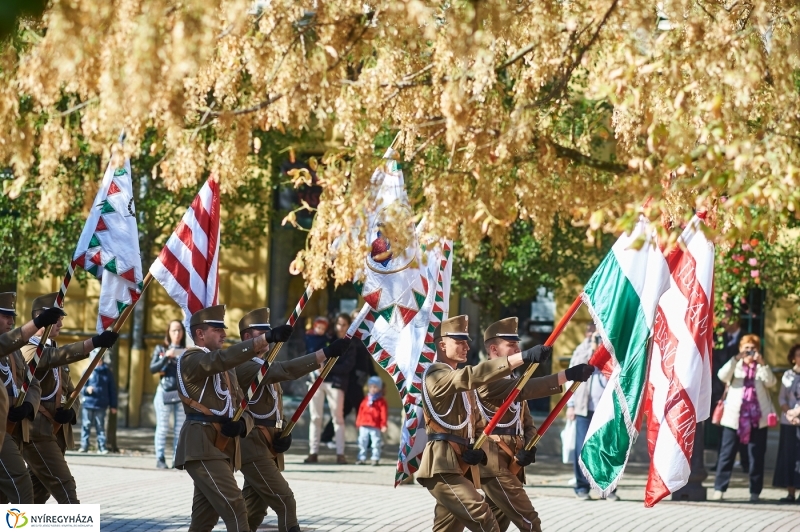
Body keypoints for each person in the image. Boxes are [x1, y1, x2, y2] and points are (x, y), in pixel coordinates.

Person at [416, 315, 550, 532]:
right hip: (441, 465)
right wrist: (523, 357)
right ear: (442, 345)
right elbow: (471, 375)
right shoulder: (436, 375)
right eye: (459, 341)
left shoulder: (459, 380)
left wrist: (474, 448)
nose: (466, 346)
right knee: (484, 518)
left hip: (461, 463)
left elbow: (475, 422)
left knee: (447, 528)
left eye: (466, 341)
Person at [234, 307, 349, 532]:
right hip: (253, 447)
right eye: (263, 334)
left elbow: (272, 407)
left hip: (267, 446)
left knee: (253, 511)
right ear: (247, 337)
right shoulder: (244, 365)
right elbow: (285, 370)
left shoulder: (262, 365)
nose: (269, 339)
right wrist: (324, 354)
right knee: (285, 501)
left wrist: (284, 431)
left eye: (270, 333)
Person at [474, 318, 594, 532]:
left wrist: (529, 446)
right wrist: (566, 375)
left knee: (493, 526)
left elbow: (525, 422)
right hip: (492, 463)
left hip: (512, 462)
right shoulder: (485, 376)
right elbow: (523, 390)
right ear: (494, 349)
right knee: (529, 520)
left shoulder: (514, 377)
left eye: (517, 344)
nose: (518, 349)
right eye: (511, 345)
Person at [175, 304, 275, 532]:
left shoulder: (227, 369)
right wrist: (263, 340)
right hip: (200, 445)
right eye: (217, 329)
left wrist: (242, 425)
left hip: (222, 448)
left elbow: (243, 408)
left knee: (203, 520)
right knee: (236, 507)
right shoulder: (190, 360)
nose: (225, 333)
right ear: (200, 334)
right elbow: (218, 360)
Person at [20, 292, 118, 504]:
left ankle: (16, 525)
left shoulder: (53, 349)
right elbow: (52, 358)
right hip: (37, 431)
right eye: (57, 320)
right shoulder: (29, 349)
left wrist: (71, 410)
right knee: (64, 485)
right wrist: (93, 343)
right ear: (41, 318)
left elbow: (71, 391)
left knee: (38, 490)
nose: (61, 325)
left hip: (55, 431)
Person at [712, 333, 777, 502]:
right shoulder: (736, 365)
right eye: (746, 348)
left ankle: (755, 492)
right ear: (740, 349)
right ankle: (719, 488)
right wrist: (735, 359)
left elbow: (771, 383)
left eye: (752, 348)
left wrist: (762, 364)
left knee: (756, 456)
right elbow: (721, 375)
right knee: (726, 455)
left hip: (757, 420)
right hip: (734, 418)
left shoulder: (761, 367)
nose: (749, 351)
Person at [566, 322, 619, 500]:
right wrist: (570, 405)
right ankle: (582, 487)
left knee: (606, 448)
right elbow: (571, 374)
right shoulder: (582, 349)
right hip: (584, 409)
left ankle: (607, 488)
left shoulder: (612, 349)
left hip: (606, 410)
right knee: (582, 448)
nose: (596, 335)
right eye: (593, 332)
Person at [0, 292, 44, 504]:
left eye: (12, 316)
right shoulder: (12, 344)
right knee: (21, 485)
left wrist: (28, 405)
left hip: (15, 428)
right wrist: (37, 324)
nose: (11, 321)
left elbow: (32, 383)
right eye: (5, 315)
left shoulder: (15, 352)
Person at [305, 315, 355, 464]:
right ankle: (313, 452)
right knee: (315, 418)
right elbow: (314, 351)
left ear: (348, 326)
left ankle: (340, 454)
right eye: (339, 324)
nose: (340, 327)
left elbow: (348, 366)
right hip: (317, 380)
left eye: (344, 325)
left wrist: (327, 368)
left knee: (337, 418)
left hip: (336, 383)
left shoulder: (351, 343)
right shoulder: (327, 337)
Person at [320, 313, 374, 449]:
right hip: (346, 379)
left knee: (346, 410)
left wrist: (374, 376)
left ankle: (327, 436)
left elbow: (366, 362)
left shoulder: (360, 338)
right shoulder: (341, 339)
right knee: (352, 409)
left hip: (356, 379)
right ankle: (366, 441)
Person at [150, 319, 187, 468]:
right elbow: (152, 369)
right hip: (165, 391)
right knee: (163, 427)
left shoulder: (186, 350)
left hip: (181, 394)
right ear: (168, 332)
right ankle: (160, 458)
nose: (177, 333)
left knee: (180, 429)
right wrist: (167, 356)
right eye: (174, 330)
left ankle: (177, 460)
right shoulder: (161, 349)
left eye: (179, 330)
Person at [773, 344, 800, 502]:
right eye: (798, 355)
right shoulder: (788, 375)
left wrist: (797, 412)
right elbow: (782, 397)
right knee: (788, 456)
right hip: (788, 421)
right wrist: (789, 413)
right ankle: (791, 492)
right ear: (793, 358)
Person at [79, 351, 117, 454]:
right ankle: (84, 446)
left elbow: (112, 390)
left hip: (101, 404)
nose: (97, 362)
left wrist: (114, 405)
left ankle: (102, 447)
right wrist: (87, 389)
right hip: (88, 403)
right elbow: (80, 388)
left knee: (100, 426)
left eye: (99, 360)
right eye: (95, 360)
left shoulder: (107, 372)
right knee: (86, 425)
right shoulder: (87, 371)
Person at [355, 375, 388, 466]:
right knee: (362, 442)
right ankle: (361, 457)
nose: (372, 389)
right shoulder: (366, 400)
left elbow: (383, 414)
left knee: (376, 442)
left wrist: (383, 424)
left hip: (375, 425)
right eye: (370, 387)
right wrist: (358, 423)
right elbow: (361, 411)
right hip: (364, 424)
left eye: (375, 387)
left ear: (380, 388)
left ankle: (375, 458)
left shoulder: (381, 401)